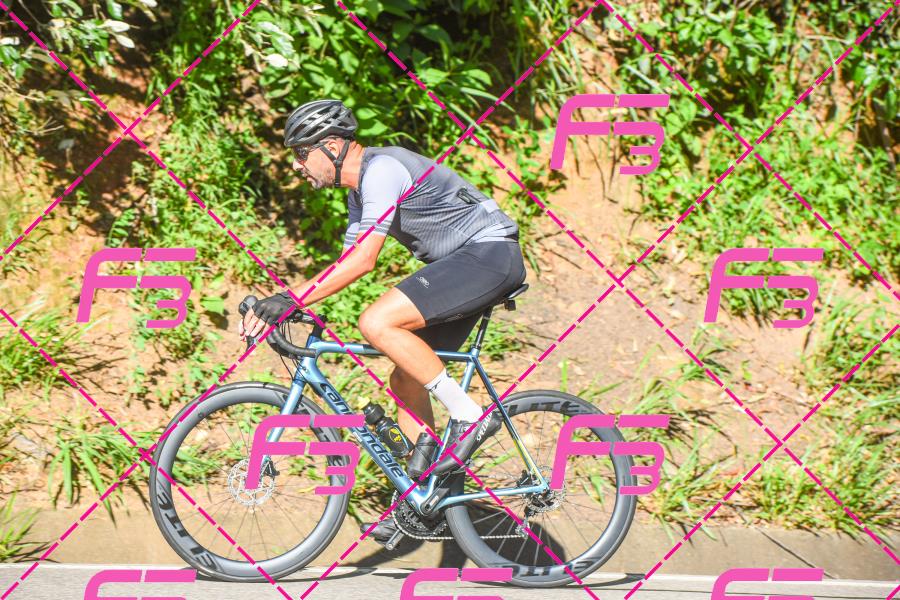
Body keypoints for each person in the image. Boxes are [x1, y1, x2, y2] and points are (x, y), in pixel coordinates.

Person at [238, 98, 527, 544]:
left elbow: (365, 260)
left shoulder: (382, 170)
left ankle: (470, 416)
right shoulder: (359, 193)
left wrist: (289, 299)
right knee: (406, 380)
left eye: (302, 153)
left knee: (376, 322)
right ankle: (425, 499)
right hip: (468, 262)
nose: (297, 166)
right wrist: (292, 306)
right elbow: (346, 263)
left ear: (332, 145)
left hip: (488, 254)